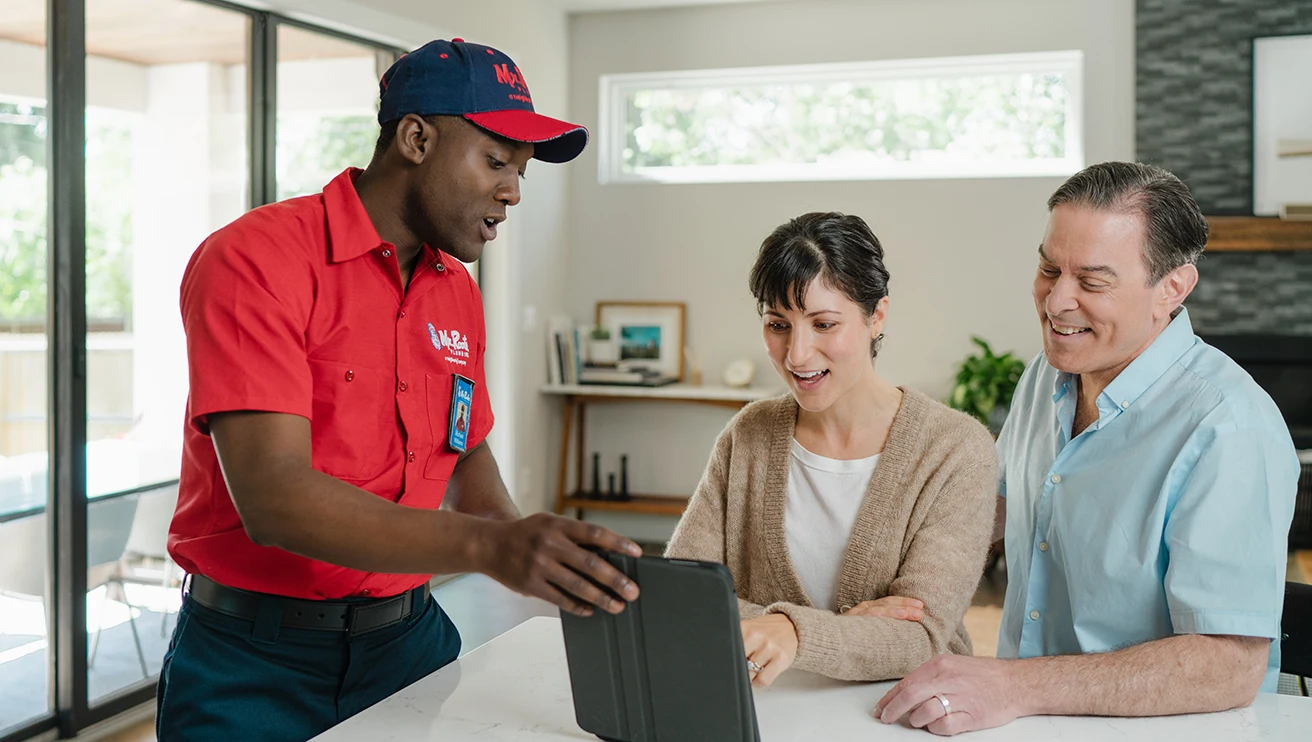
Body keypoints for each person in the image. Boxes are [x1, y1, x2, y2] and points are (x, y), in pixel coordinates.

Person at [157, 39, 643, 742]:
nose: (512, 191)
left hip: (409, 647)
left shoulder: (456, 290)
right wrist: (488, 549)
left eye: (522, 172)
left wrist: (532, 548)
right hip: (251, 664)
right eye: (497, 161)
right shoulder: (255, 260)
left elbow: (465, 448)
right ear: (416, 138)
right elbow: (273, 497)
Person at [875, 162, 1299, 736]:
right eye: (1049, 269)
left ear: (1171, 288)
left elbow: (1228, 667)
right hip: (1022, 721)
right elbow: (986, 517)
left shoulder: (1229, 427)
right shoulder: (1042, 378)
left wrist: (1012, 685)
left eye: (1092, 282)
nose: (1056, 302)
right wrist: (890, 596)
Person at [665, 212, 998, 687]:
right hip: (766, 704)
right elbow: (681, 595)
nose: (797, 353)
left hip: (899, 709)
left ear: (876, 316)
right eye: (778, 325)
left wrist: (792, 631)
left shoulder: (955, 450)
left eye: (823, 324)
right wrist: (851, 629)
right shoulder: (749, 434)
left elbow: (922, 638)